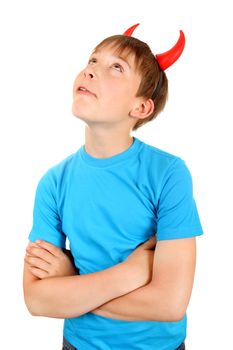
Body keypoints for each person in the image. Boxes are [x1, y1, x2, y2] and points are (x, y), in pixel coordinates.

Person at [23, 23, 203, 350]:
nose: (91, 71)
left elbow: (169, 304)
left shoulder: (169, 174)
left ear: (141, 107)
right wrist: (131, 273)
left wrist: (69, 286)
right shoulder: (53, 182)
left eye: (115, 68)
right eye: (92, 60)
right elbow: (36, 300)